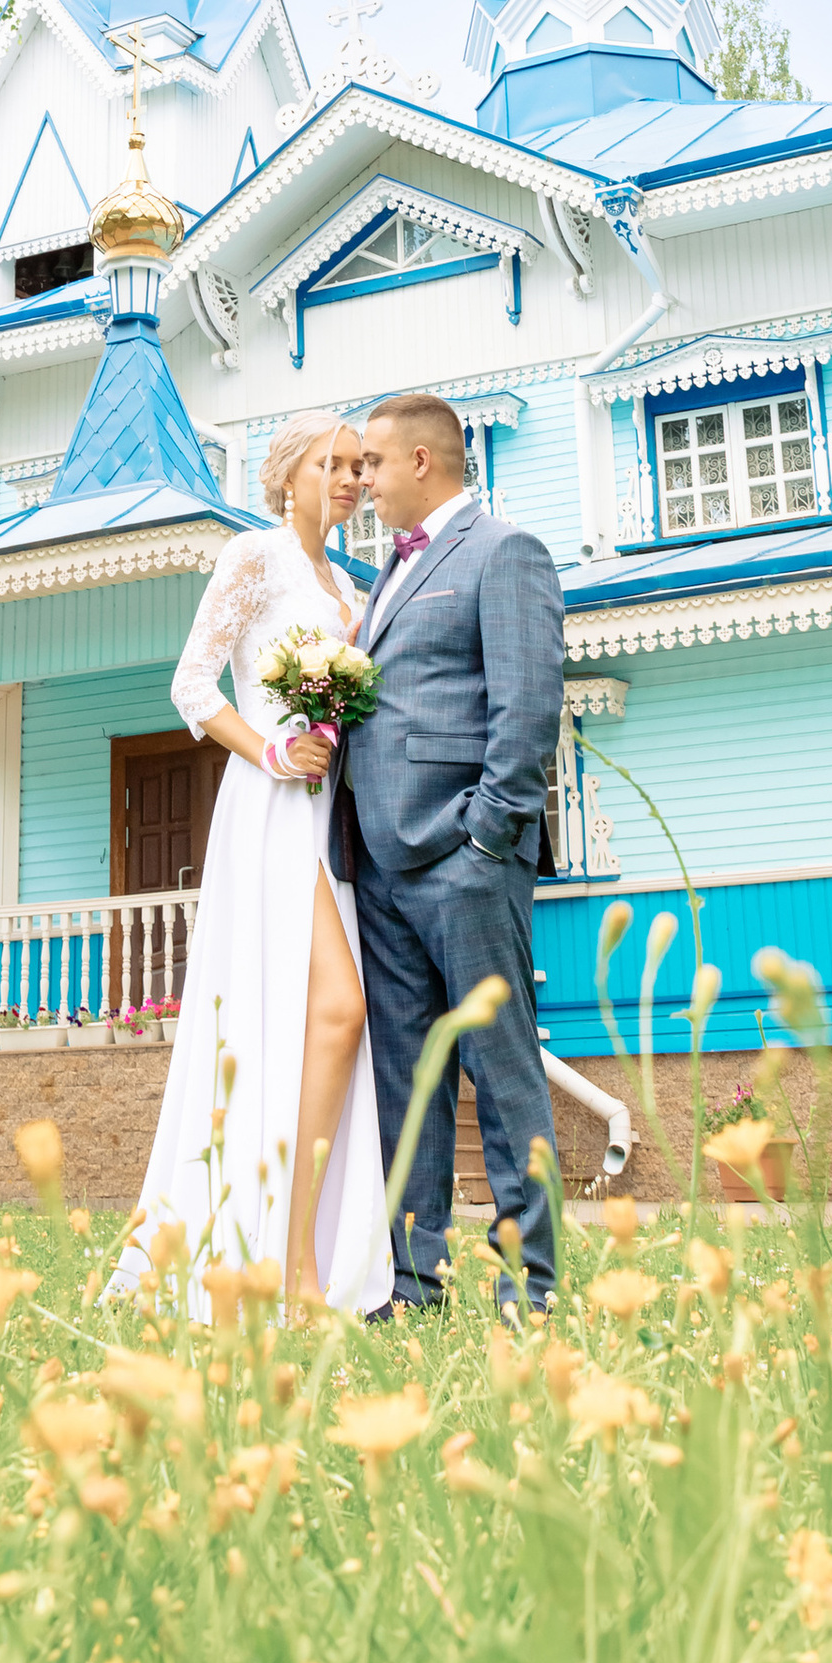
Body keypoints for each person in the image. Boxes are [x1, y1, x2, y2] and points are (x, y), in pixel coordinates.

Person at [109, 414, 393, 1315]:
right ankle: (293, 1262)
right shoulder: (253, 557)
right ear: (289, 475)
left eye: (356, 465)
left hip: (329, 811)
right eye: (330, 463)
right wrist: (272, 751)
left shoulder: (348, 584)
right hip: (270, 804)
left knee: (318, 1022)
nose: (348, 478)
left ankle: (297, 1250)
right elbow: (191, 685)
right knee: (340, 1009)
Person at [336, 390, 565, 1310]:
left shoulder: (504, 551)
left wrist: (486, 834)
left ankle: (529, 1289)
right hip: (381, 865)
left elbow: (528, 705)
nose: (363, 481)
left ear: (421, 462)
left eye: (373, 464)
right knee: (407, 1082)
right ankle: (410, 1284)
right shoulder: (385, 573)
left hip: (466, 861)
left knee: (500, 1074)